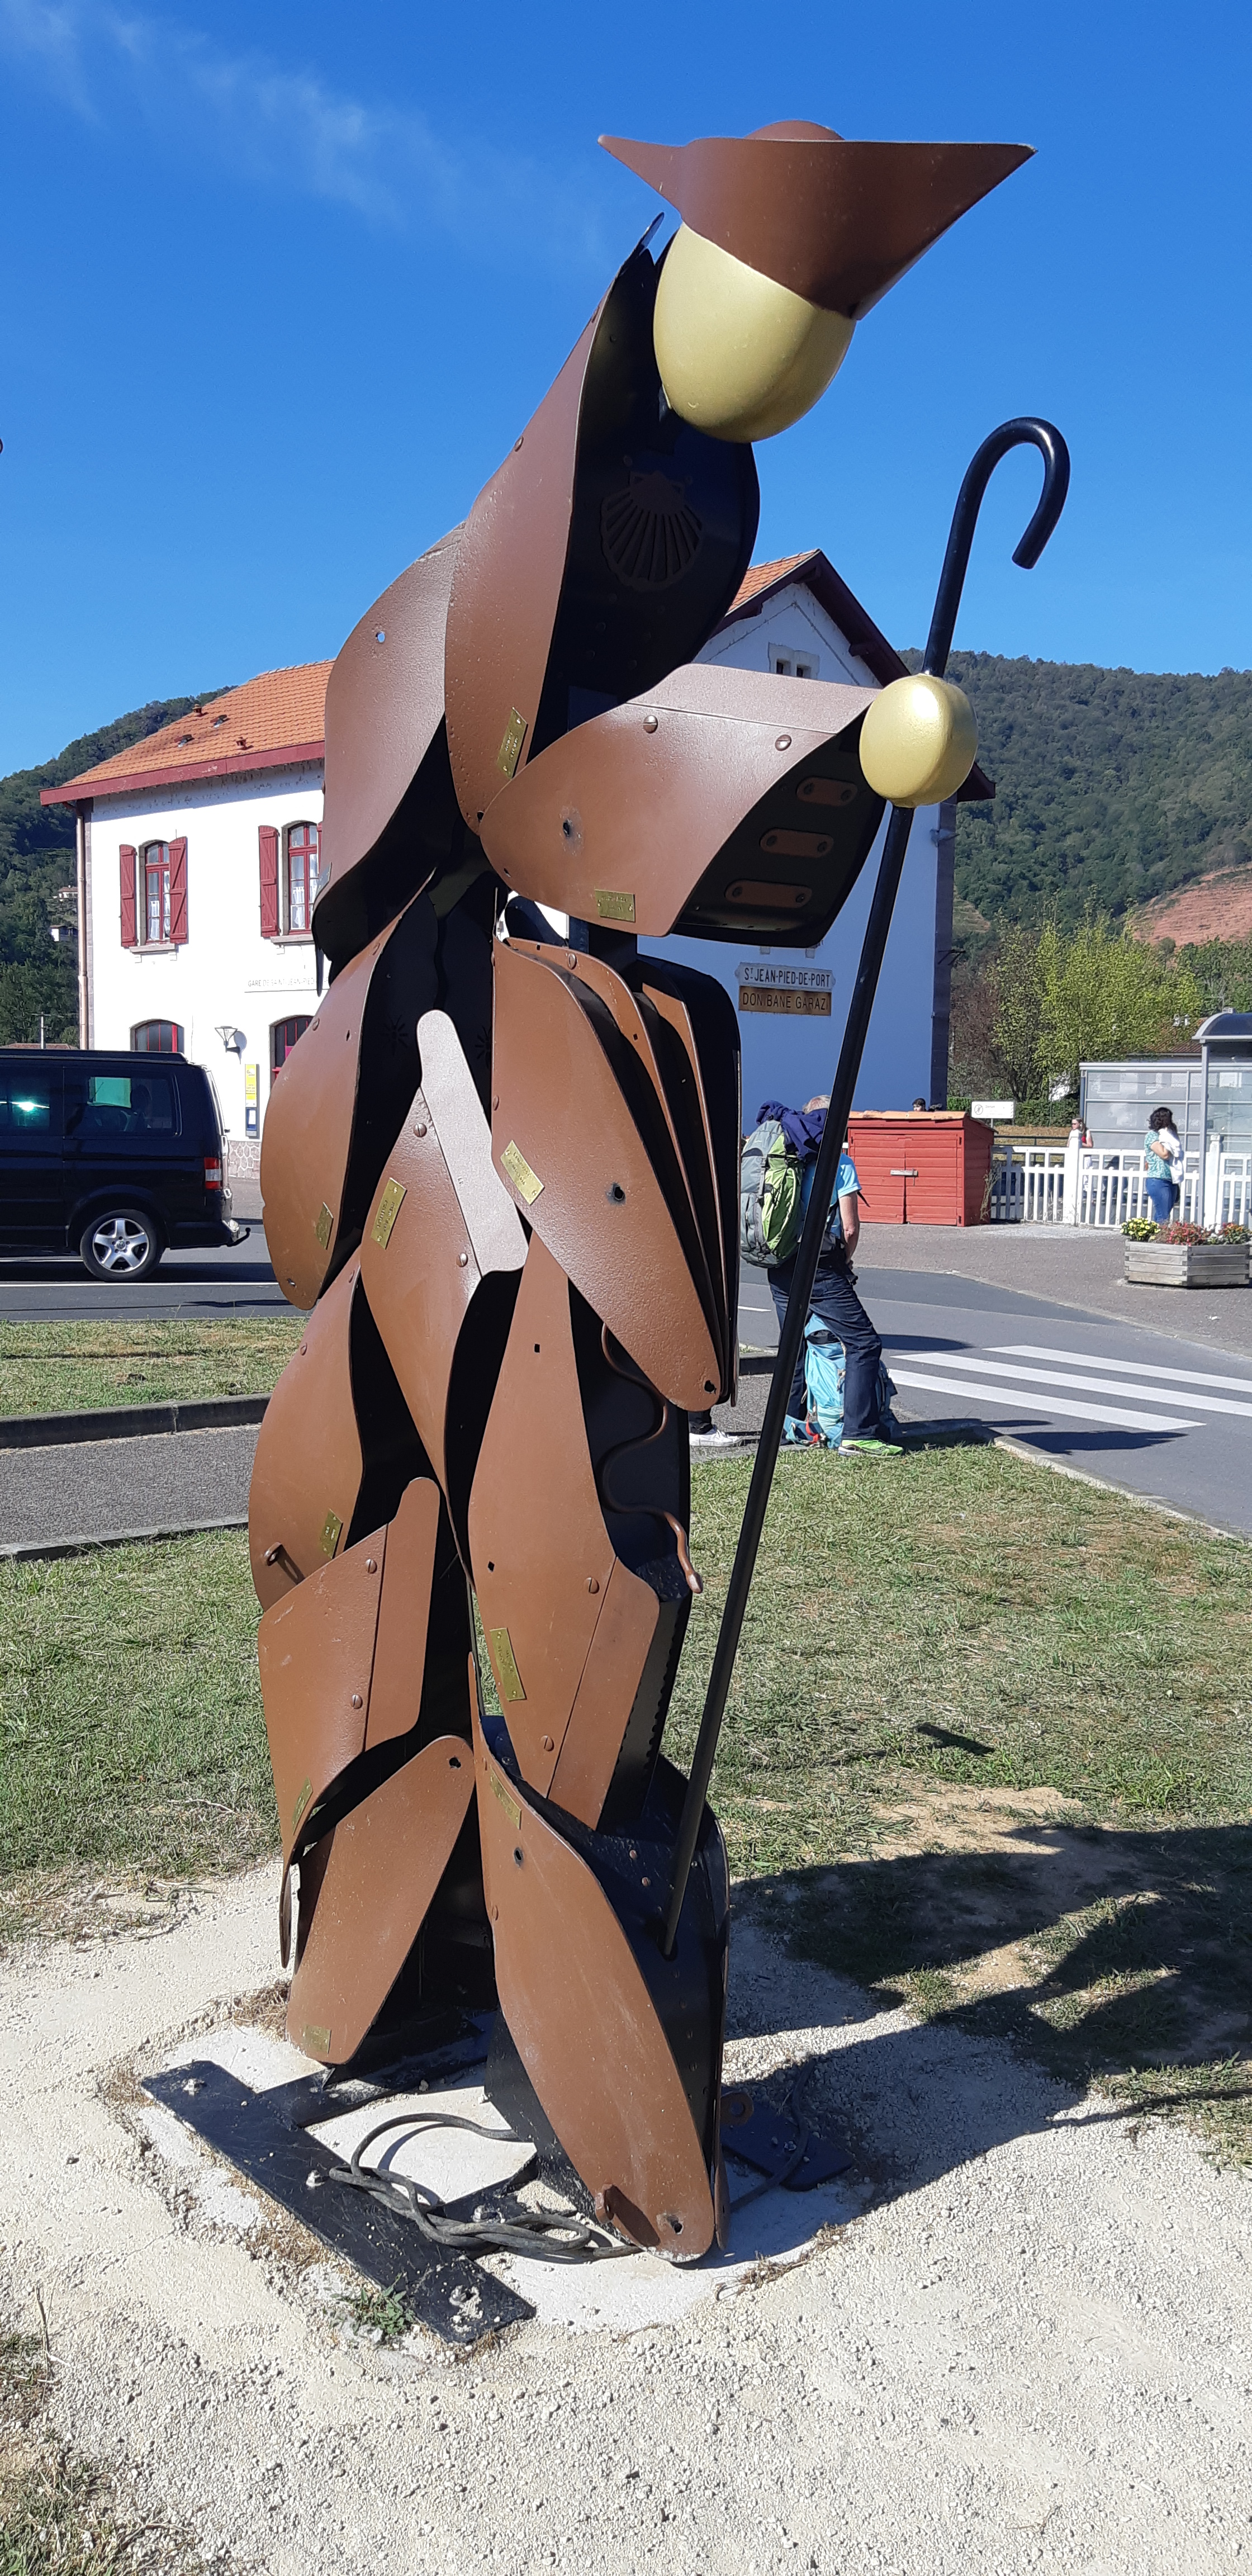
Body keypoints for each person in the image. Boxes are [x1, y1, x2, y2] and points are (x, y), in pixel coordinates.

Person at [763, 1093, 901, 1458]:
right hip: (821, 1269)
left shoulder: (786, 1157)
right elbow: (850, 1228)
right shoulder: (841, 1163)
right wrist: (846, 1262)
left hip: (780, 1266)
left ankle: (789, 1427)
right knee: (864, 1343)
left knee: (793, 1347)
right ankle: (858, 1434)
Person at [1142, 1104, 1182, 1225]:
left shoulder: (1168, 1135)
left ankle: (1154, 1233)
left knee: (1165, 1213)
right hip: (1158, 1179)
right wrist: (1168, 1138)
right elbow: (1164, 1154)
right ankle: (1159, 1235)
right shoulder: (1152, 1136)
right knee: (1163, 1215)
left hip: (1171, 1178)